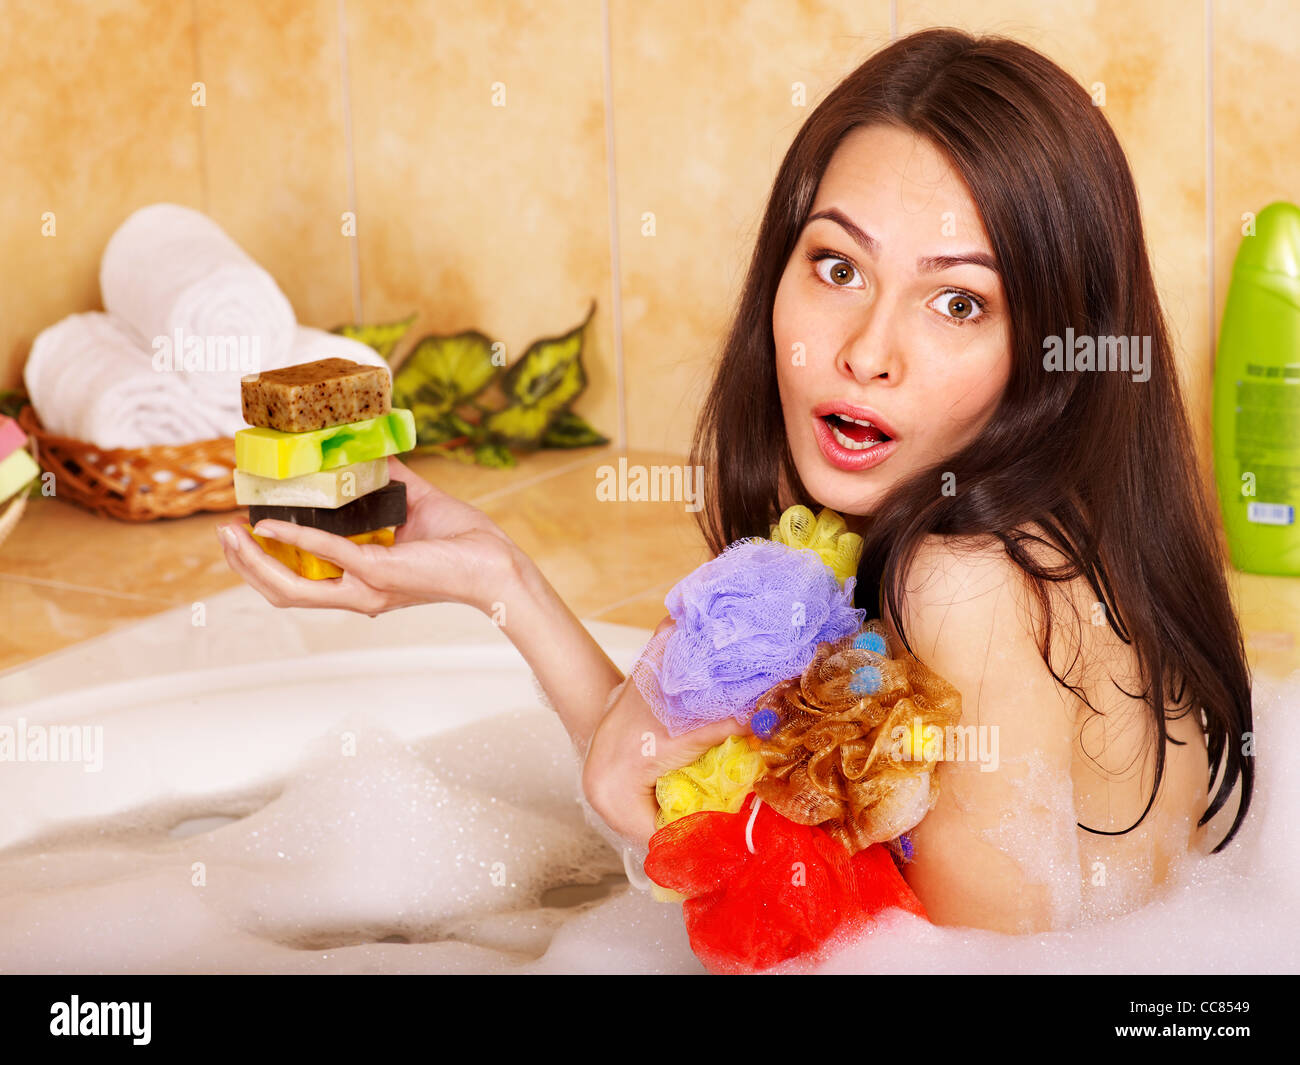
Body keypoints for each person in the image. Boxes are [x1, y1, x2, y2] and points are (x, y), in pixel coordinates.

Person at [219, 27, 1253, 935]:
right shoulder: (1040, 535)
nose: (865, 351)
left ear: (1050, 346)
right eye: (838, 268)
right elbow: (665, 768)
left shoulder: (971, 583)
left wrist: (649, 834)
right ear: (780, 271)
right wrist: (502, 582)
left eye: (957, 305)